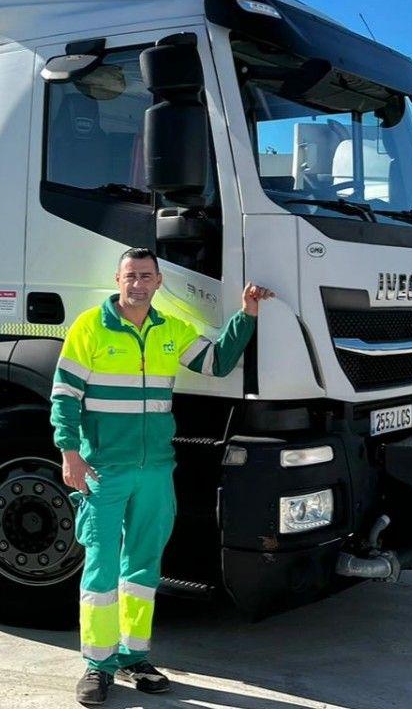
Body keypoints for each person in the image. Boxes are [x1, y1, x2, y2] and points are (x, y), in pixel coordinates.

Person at [52, 248, 274, 705]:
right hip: (104, 470)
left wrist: (246, 315)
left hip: (154, 470)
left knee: (142, 568)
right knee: (101, 566)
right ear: (118, 279)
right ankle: (97, 665)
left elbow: (217, 361)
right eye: (131, 276)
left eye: (146, 277)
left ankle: (135, 657)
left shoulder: (171, 330)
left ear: (158, 283)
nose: (138, 283)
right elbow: (65, 395)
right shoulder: (89, 327)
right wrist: (70, 454)